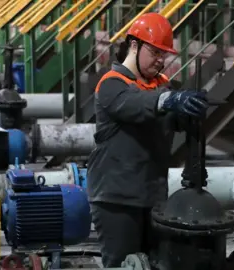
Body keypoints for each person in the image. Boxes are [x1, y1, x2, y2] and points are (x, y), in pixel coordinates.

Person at [86, 13, 209, 267]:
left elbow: (170, 117)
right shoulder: (111, 84)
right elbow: (134, 105)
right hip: (116, 201)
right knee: (123, 265)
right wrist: (169, 100)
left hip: (153, 198)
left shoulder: (160, 85)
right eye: (155, 52)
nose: (161, 60)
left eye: (164, 54)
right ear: (134, 46)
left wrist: (189, 110)